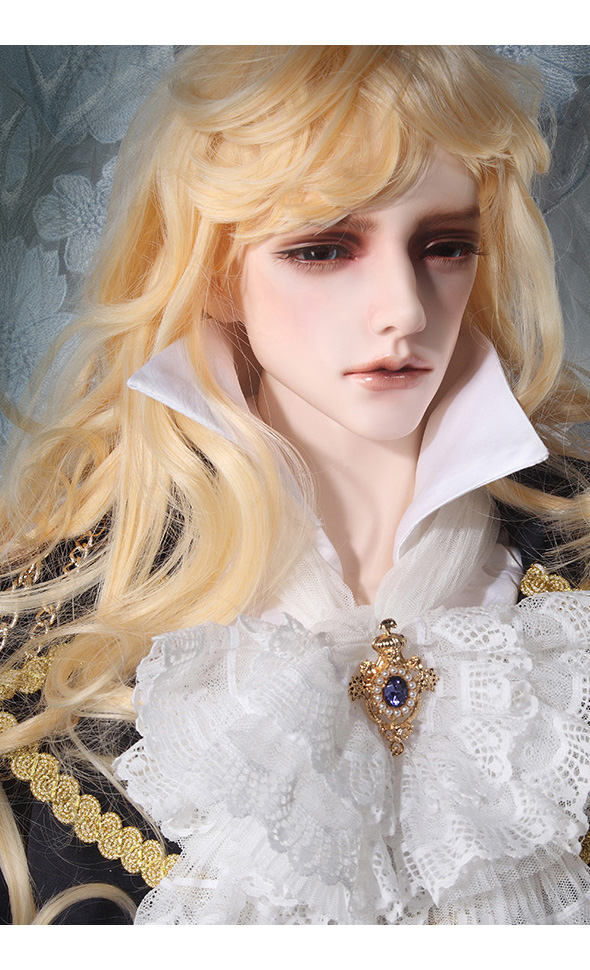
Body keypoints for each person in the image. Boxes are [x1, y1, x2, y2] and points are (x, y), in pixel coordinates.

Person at [1, 44, 590, 926]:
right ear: (217, 271)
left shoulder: (571, 569)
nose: (403, 308)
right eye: (322, 249)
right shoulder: (58, 617)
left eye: (445, 246)